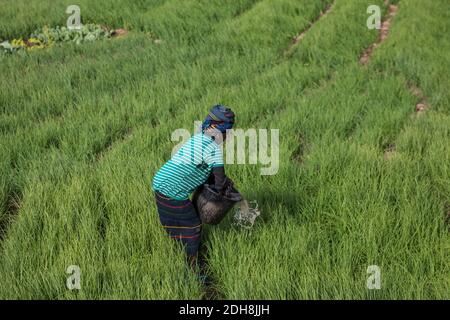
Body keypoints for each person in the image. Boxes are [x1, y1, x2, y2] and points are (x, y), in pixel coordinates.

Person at [152, 105, 235, 266]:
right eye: (228, 132)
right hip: (173, 191)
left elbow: (200, 168)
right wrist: (233, 197)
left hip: (160, 182)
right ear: (222, 132)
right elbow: (220, 181)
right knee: (193, 225)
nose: (229, 136)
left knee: (173, 221)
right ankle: (192, 264)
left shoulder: (197, 139)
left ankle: (176, 250)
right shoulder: (214, 150)